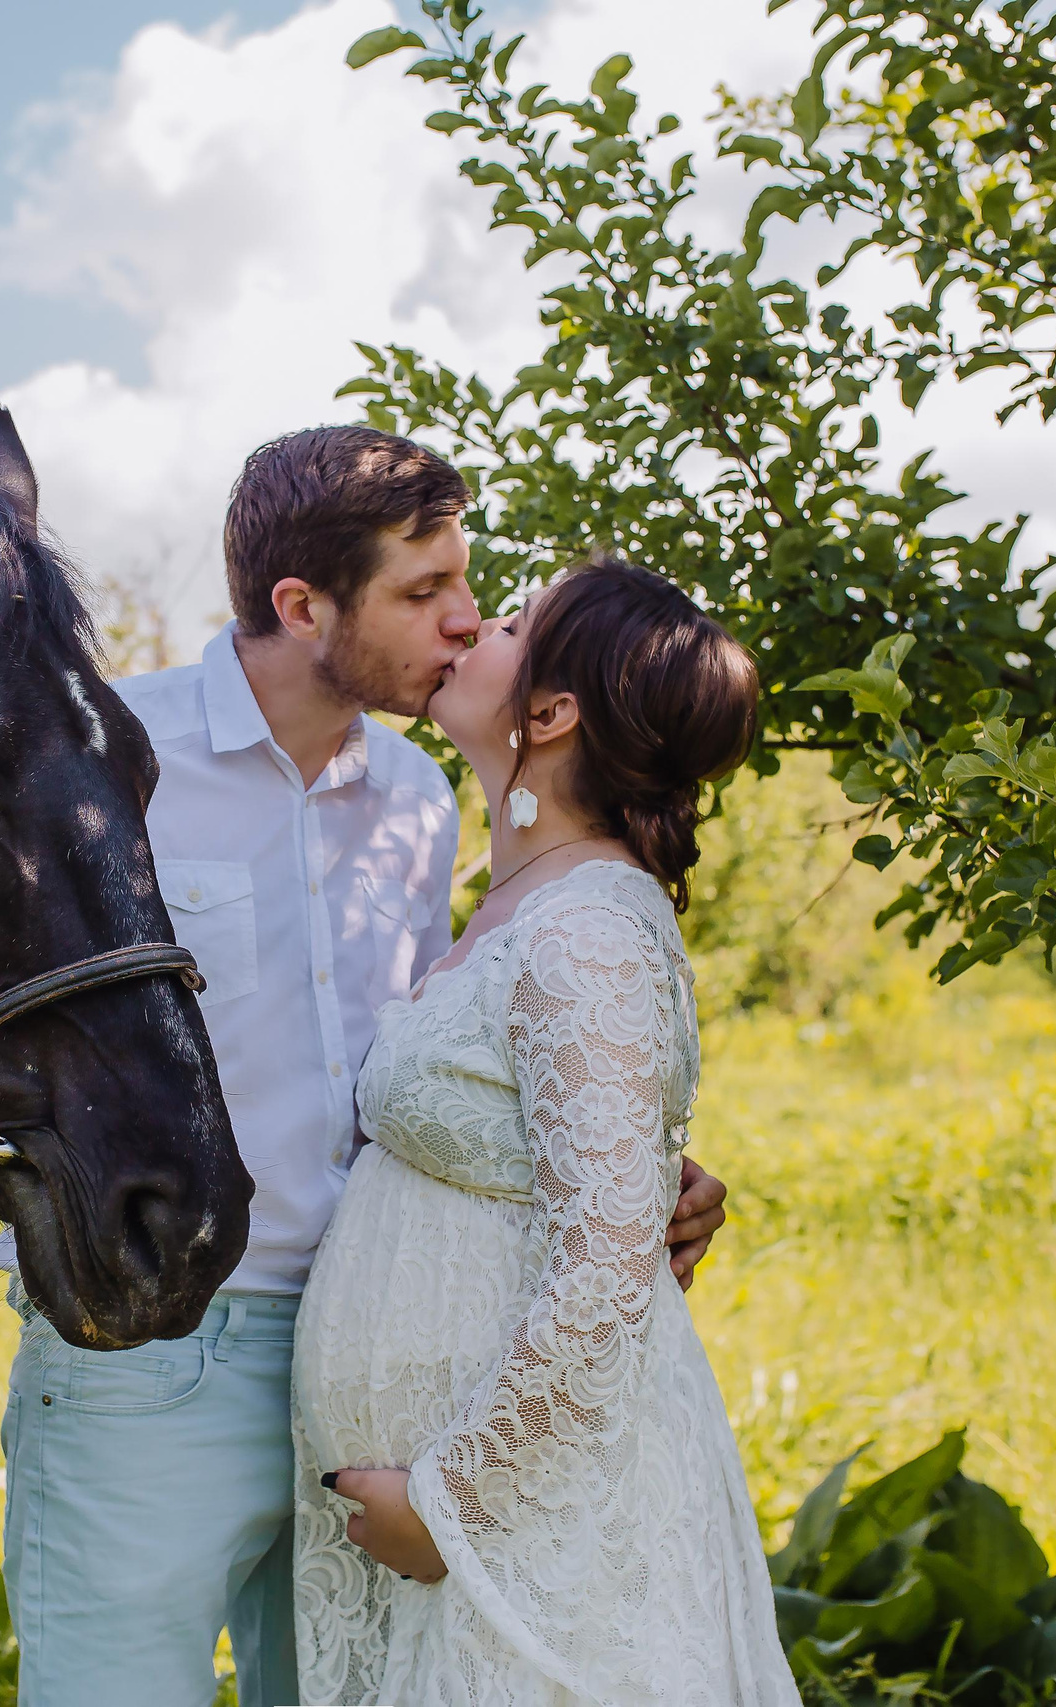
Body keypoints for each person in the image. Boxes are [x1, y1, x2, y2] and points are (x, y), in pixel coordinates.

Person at [0, 431, 735, 1707]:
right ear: (302, 607)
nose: (465, 624)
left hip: (388, 1375)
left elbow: (423, 1057)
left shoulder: (421, 799)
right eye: (424, 594)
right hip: (154, 1356)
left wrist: (623, 1162)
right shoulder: (102, 746)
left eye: (467, 586)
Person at [293, 561, 797, 1706]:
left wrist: (448, 1504)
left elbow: (607, 1276)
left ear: (553, 713)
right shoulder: (520, 902)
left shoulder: (589, 933)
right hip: (464, 1536)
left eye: (509, 622)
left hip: (529, 1532)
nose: (471, 624)